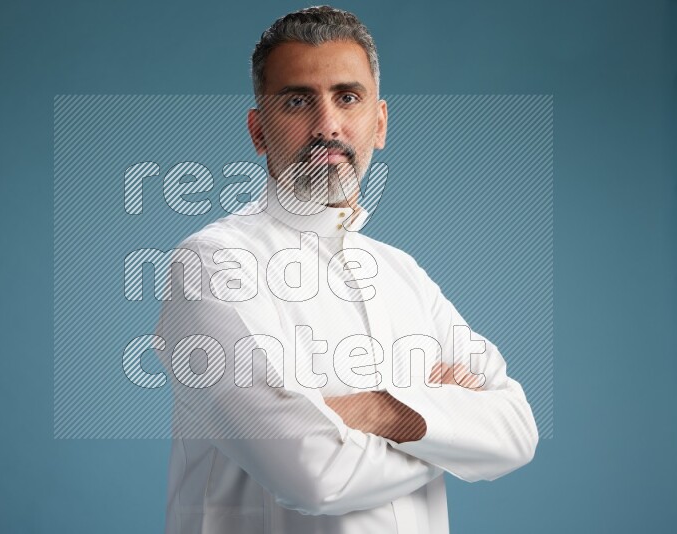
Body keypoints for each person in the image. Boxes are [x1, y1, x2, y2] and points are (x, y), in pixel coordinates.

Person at [155, 6, 538, 533]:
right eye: (296, 101)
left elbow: (517, 431)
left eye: (348, 97)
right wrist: (451, 432)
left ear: (379, 124)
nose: (327, 125)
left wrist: (375, 411)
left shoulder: (403, 274)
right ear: (258, 130)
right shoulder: (213, 264)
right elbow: (316, 474)